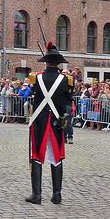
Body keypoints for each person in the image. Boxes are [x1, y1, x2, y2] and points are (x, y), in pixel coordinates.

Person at [26, 42, 70, 205]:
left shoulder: (36, 78)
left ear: (46, 61)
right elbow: (67, 101)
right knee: (56, 156)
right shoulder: (66, 80)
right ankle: (57, 195)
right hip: (57, 122)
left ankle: (36, 195)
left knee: (37, 155)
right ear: (58, 63)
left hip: (40, 121)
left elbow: (30, 94)